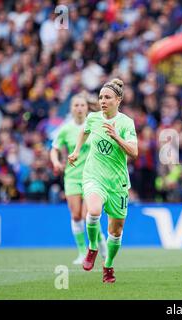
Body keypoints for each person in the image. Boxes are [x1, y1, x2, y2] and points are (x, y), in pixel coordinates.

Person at [68, 79, 138, 283]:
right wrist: (76, 150)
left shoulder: (126, 123)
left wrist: (116, 136)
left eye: (107, 97)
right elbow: (84, 131)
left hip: (117, 183)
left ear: (118, 100)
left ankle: (108, 266)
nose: (102, 101)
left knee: (115, 232)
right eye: (100, 97)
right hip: (94, 176)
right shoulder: (93, 118)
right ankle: (92, 247)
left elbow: (134, 152)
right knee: (94, 211)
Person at [50, 94, 107, 265]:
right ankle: (82, 251)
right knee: (76, 216)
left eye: (82, 105)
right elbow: (54, 148)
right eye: (76, 105)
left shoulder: (94, 126)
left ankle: (99, 245)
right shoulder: (65, 129)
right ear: (71, 108)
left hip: (92, 176)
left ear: (87, 108)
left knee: (87, 215)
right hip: (72, 177)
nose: (80, 108)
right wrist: (55, 162)